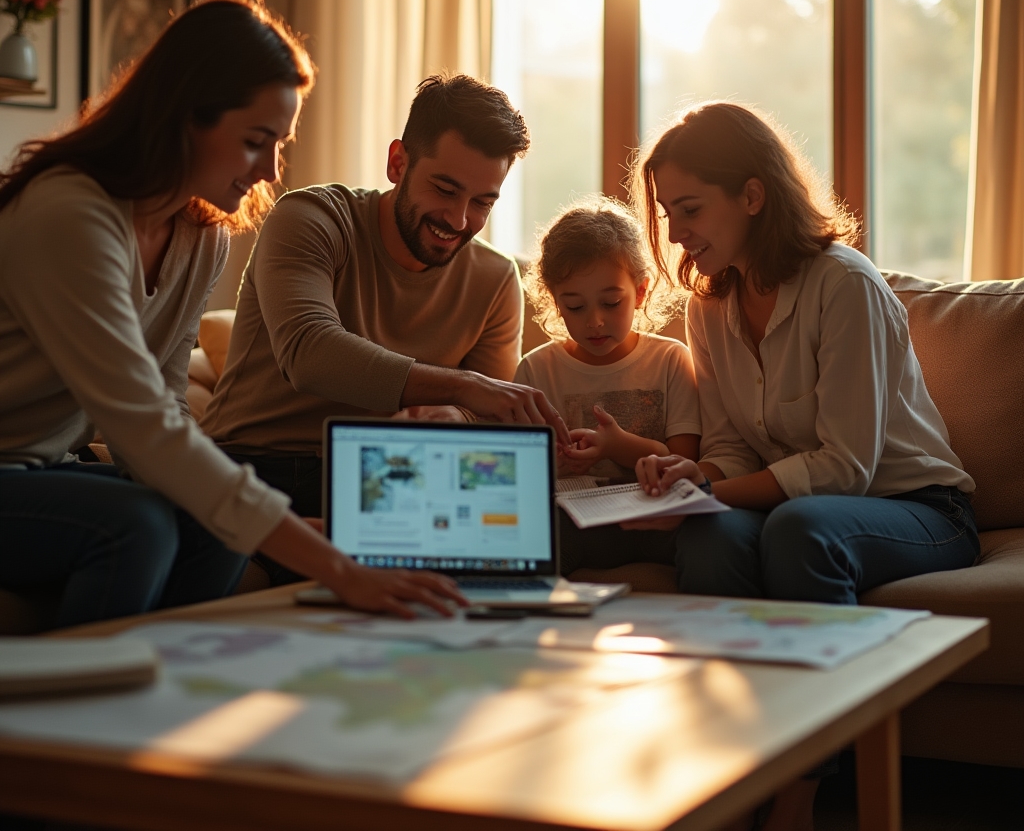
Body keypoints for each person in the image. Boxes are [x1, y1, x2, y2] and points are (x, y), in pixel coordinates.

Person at [0, 0, 464, 628]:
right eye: (254, 141)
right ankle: (66, 713)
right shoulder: (69, 215)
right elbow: (140, 427)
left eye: (279, 144)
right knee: (138, 527)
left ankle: (173, 688)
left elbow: (164, 409)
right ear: (184, 117)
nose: (271, 169)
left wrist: (280, 524)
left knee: (221, 528)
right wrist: (338, 568)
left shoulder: (201, 235)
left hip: (48, 470)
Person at [630, 101, 979, 831]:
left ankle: (801, 792)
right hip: (797, 504)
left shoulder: (843, 285)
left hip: (920, 508)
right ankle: (730, 767)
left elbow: (846, 467)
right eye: (666, 214)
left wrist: (719, 486)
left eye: (689, 208)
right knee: (708, 536)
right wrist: (698, 479)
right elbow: (727, 442)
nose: (675, 233)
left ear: (752, 196)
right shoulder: (709, 305)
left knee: (801, 530)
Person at [202, 72, 568, 531]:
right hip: (257, 467)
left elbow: (484, 414)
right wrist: (461, 387)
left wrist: (455, 414)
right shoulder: (311, 219)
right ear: (398, 163)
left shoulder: (495, 278)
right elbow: (310, 352)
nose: (458, 219)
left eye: (482, 202)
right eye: (445, 189)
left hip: (396, 480)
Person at [515, 198, 701, 575]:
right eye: (575, 307)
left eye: (611, 302)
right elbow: (518, 474)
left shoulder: (670, 360)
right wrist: (550, 462)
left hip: (652, 515)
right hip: (571, 519)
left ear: (641, 291)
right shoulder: (536, 369)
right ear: (555, 301)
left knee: (705, 537)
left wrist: (619, 447)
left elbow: (685, 462)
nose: (595, 322)